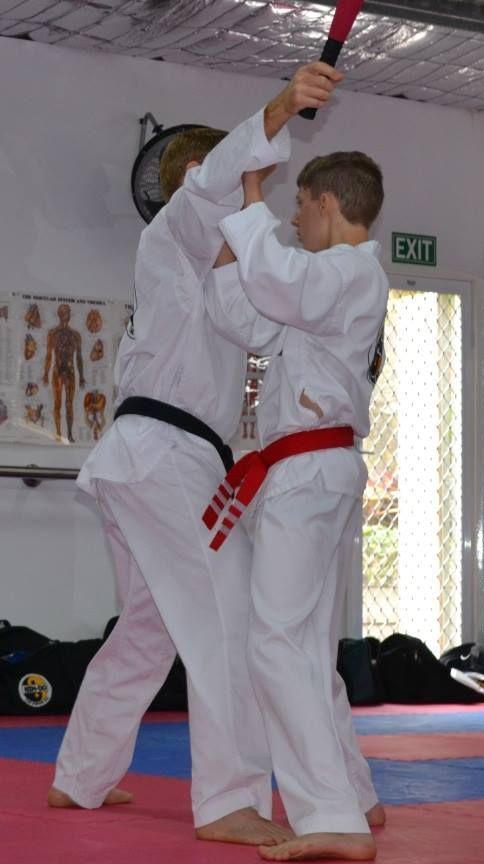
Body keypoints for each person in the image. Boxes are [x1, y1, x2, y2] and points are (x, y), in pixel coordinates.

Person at [47, 63, 340, 845]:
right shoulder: (177, 225)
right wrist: (278, 110)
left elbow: (254, 327)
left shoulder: (213, 269)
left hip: (149, 458)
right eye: (243, 182)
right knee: (230, 618)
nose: (251, 197)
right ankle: (229, 800)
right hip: (164, 454)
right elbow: (209, 187)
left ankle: (81, 775)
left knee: (147, 628)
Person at [204, 141, 389, 861]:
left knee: (275, 643)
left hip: (311, 472)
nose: (294, 216)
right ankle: (354, 792)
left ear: (328, 203)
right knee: (305, 648)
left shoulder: (345, 271)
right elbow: (249, 322)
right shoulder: (326, 284)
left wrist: (250, 202)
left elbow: (279, 282)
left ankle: (331, 816)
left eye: (299, 205)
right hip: (316, 470)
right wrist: (230, 231)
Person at [42, 302, 85, 443]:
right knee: (57, 403)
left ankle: (70, 434)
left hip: (71, 372)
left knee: (69, 404)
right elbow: (49, 355)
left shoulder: (76, 335)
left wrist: (82, 376)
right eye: (64, 312)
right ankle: (59, 433)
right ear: (60, 314)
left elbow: (79, 357)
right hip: (57, 372)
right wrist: (45, 374)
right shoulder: (53, 334)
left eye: (68, 312)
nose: (67, 314)